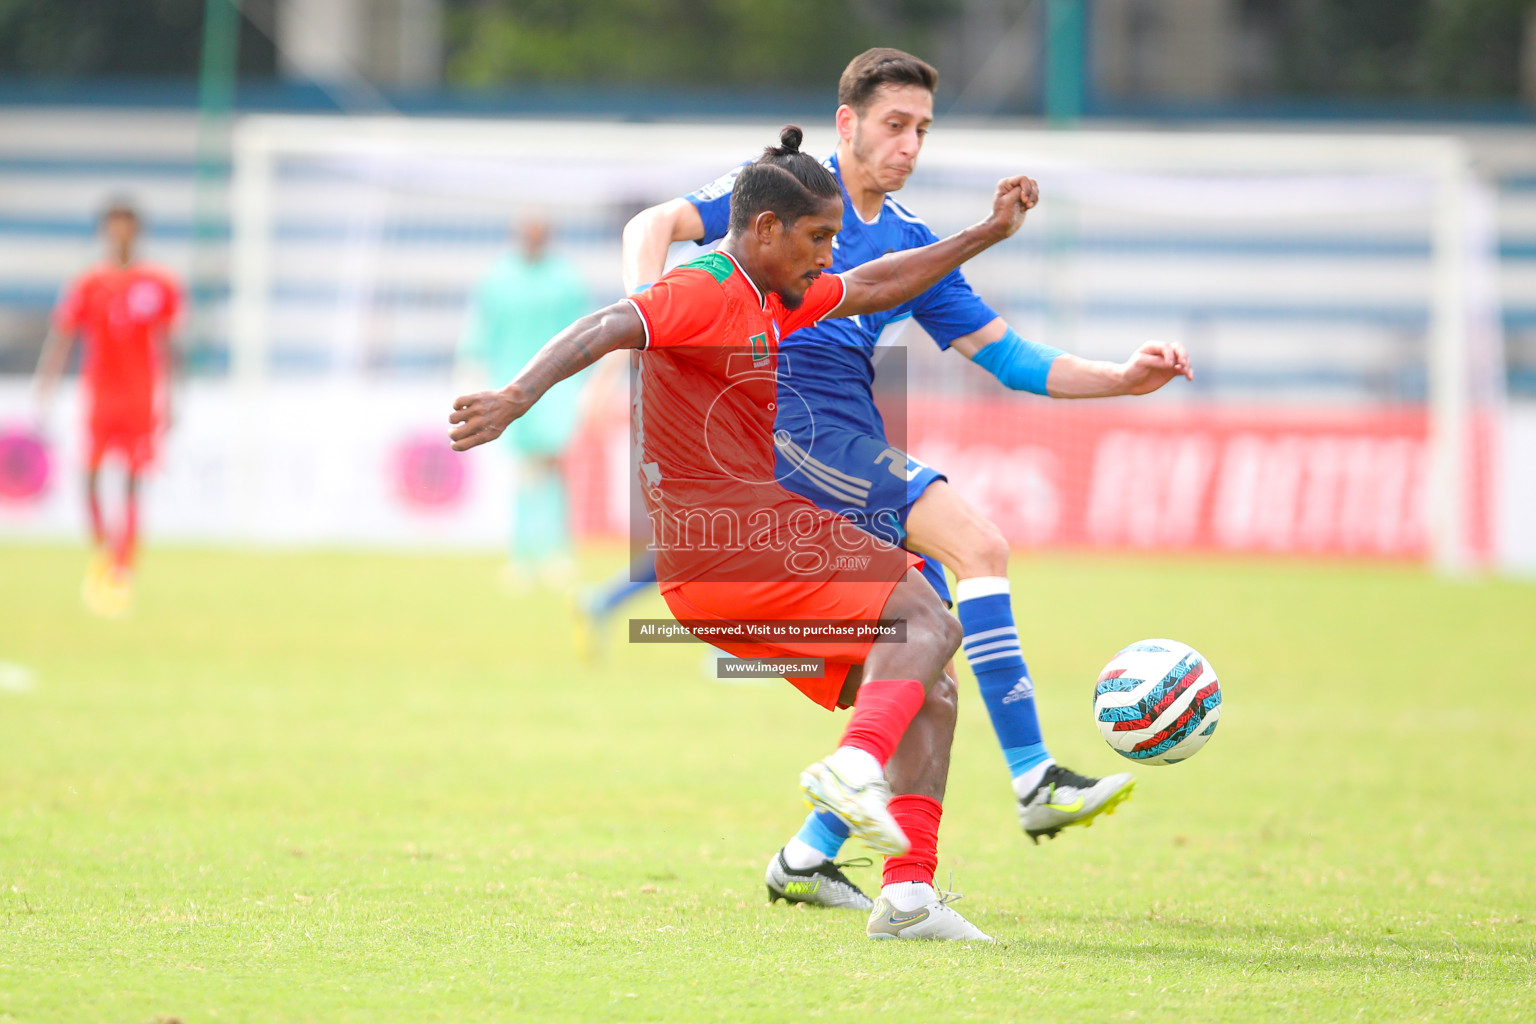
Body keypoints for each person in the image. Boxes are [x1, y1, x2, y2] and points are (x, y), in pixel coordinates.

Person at [618, 47, 1193, 908]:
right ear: (847, 122)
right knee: (980, 544)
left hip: (859, 431)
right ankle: (1034, 777)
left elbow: (1009, 355)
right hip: (794, 429)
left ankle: (817, 860)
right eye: (895, 125)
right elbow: (650, 225)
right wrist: (654, 319)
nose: (909, 144)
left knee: (927, 665)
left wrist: (1122, 376)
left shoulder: (915, 241)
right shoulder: (780, 192)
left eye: (922, 128)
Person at [452, 126, 1040, 940]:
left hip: (727, 554)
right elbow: (605, 324)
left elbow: (873, 285)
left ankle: (908, 897)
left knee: (929, 680)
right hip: (728, 544)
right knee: (928, 617)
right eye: (817, 238)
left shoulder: (778, 293)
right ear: (763, 228)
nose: (829, 255)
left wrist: (982, 234)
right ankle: (853, 767)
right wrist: (517, 398)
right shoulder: (707, 287)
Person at [33, 198, 182, 617]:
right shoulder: (88, 283)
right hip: (100, 397)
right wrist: (45, 384)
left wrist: (173, 399)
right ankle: (103, 554)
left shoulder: (158, 282)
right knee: (91, 479)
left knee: (134, 481)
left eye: (126, 225)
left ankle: (123, 566)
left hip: (141, 399)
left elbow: (170, 345)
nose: (120, 233)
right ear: (104, 230)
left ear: (137, 230)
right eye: (113, 225)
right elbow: (63, 336)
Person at [457, 214, 590, 590]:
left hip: (556, 386)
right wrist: (471, 367)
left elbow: (583, 331)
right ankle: (524, 554)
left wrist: (590, 385)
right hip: (508, 383)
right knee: (525, 469)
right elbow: (481, 328)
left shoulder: (565, 278)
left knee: (551, 464)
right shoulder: (498, 279)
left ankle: (553, 551)